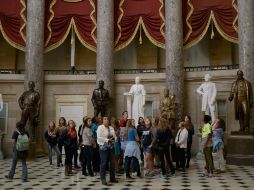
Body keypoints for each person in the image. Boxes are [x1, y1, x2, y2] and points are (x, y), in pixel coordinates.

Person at [97, 116, 118, 185]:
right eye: (105, 119)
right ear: (103, 121)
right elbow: (99, 138)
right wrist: (108, 140)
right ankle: (103, 179)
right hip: (103, 147)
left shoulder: (111, 127)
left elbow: (114, 135)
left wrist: (115, 138)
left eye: (107, 119)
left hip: (111, 147)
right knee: (103, 163)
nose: (106, 120)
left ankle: (112, 178)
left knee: (112, 163)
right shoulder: (100, 127)